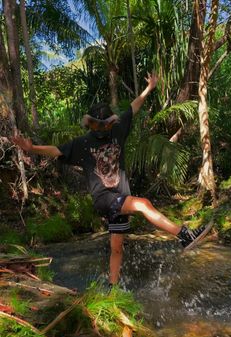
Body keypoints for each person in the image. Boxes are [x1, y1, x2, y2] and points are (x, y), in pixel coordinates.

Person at [12, 72, 211, 287]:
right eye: (96, 125)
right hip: (104, 198)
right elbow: (57, 150)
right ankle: (184, 235)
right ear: (90, 124)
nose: (101, 128)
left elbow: (133, 107)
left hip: (120, 198)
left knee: (117, 247)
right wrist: (31, 148)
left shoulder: (118, 130)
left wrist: (149, 88)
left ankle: (112, 288)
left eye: (104, 124)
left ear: (110, 122)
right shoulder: (82, 143)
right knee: (144, 204)